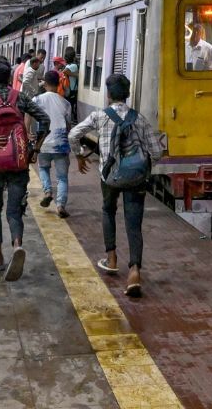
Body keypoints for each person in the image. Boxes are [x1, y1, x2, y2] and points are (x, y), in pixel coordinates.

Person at [69, 74, 163, 298]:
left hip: (109, 176)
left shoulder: (100, 116)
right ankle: (135, 272)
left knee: (108, 210)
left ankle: (111, 259)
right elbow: (157, 152)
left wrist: (80, 156)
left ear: (108, 94)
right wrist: (144, 167)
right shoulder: (139, 119)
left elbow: (74, 134)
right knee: (134, 223)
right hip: (135, 177)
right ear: (128, 94)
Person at [0, 60, 50, 282]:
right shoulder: (20, 98)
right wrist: (35, 149)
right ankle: (17, 245)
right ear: (9, 77)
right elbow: (45, 119)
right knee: (15, 209)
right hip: (19, 159)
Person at [34, 70, 77, 218]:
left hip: (43, 143)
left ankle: (47, 192)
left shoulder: (37, 100)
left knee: (44, 168)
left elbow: (30, 118)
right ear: (59, 84)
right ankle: (60, 206)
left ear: (44, 83)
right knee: (62, 178)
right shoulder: (66, 103)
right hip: (61, 144)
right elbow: (69, 126)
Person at [63, 47, 80, 114]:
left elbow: (65, 71)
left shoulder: (68, 66)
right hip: (72, 90)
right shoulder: (74, 66)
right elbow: (65, 71)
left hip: (68, 90)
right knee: (70, 109)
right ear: (73, 57)